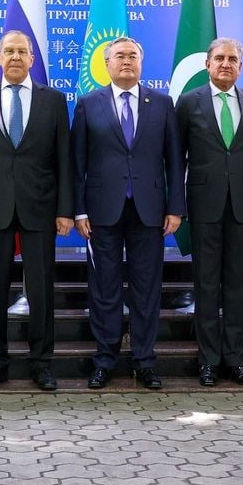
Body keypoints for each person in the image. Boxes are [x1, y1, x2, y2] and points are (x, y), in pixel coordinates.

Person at [71, 36, 185, 390]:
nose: (126, 61)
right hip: (102, 211)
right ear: (106, 64)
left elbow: (174, 160)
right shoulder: (89, 104)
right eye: (119, 56)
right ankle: (105, 360)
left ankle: (144, 361)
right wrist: (78, 210)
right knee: (104, 288)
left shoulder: (162, 103)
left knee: (146, 289)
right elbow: (77, 163)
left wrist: (175, 208)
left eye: (132, 56)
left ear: (141, 62)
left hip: (150, 212)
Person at [0, 30, 73, 391]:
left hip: (40, 207)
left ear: (31, 59)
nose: (14, 57)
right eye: (8, 51)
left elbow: (63, 160)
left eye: (21, 52)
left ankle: (42, 363)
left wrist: (65, 210)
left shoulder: (53, 101)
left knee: (41, 289)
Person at [175, 37, 243, 387]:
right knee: (207, 283)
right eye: (219, 58)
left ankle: (236, 359)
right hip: (204, 205)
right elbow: (177, 154)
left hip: (242, 205)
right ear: (208, 65)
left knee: (237, 285)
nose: (226, 64)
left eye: (232, 59)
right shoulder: (188, 103)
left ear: (241, 67)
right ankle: (209, 361)